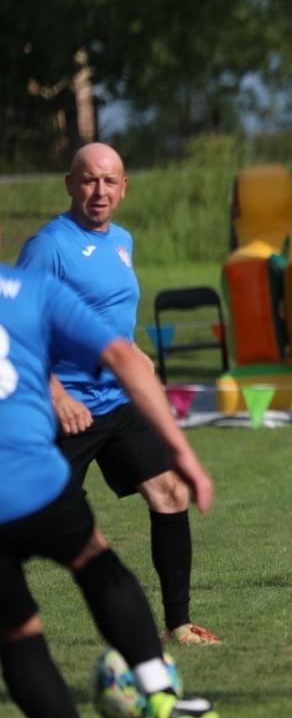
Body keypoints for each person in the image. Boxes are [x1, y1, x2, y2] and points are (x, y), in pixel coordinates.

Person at [1, 254, 220, 718]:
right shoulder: (26, 288)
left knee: (18, 635)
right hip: (34, 480)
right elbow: (124, 355)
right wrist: (180, 448)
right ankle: (161, 694)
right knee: (97, 563)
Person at [17, 142, 220, 646]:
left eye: (110, 182)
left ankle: (179, 624)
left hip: (117, 401)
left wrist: (133, 353)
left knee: (170, 492)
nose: (99, 191)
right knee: (29, 521)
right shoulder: (49, 247)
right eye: (88, 180)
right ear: (70, 184)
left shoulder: (122, 240)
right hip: (68, 411)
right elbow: (20, 331)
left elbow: (106, 315)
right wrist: (58, 397)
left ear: (125, 188)